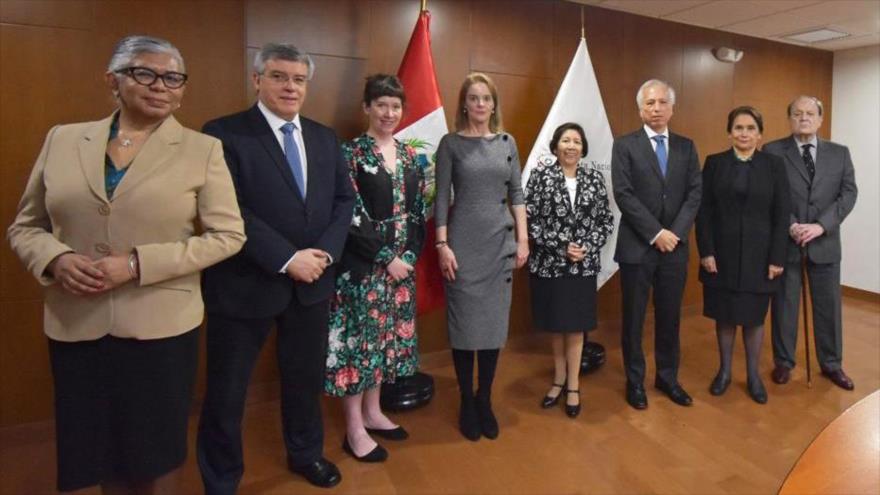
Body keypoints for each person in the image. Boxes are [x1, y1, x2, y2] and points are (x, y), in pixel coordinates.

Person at [6, 35, 245, 494]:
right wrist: (55, 259)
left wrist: (137, 265)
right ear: (112, 80)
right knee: (86, 449)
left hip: (159, 328)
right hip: (76, 322)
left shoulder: (202, 150)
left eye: (173, 77)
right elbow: (25, 226)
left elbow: (228, 236)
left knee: (151, 455)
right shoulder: (63, 138)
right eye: (144, 72)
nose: (160, 85)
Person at [196, 43, 355, 492]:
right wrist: (287, 259)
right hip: (246, 285)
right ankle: (221, 478)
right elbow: (229, 211)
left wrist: (322, 253)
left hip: (313, 285)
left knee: (304, 382)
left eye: (299, 78)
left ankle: (306, 454)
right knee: (227, 393)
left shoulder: (324, 138)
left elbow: (343, 201)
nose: (290, 86)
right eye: (279, 76)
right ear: (257, 80)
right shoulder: (224, 134)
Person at [324, 74, 426, 462]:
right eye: (381, 104)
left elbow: (419, 213)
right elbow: (350, 213)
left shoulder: (410, 155)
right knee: (358, 346)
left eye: (395, 106)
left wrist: (410, 257)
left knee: (385, 343)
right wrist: (386, 258)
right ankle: (353, 428)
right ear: (366, 107)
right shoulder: (349, 154)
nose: (389, 112)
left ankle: (373, 411)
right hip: (363, 269)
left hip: (402, 269)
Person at [434, 72, 529, 440]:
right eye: (473, 98)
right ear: (464, 104)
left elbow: (517, 195)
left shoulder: (507, 142)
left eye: (485, 98)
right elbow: (441, 198)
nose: (479, 104)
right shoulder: (450, 144)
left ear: (493, 104)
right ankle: (465, 400)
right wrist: (442, 246)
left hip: (499, 246)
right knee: (464, 329)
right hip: (461, 248)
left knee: (491, 330)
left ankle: (484, 398)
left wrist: (523, 241)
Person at [611, 79, 702, 410]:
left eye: (663, 102)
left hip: (674, 250)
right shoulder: (624, 146)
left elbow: (695, 193)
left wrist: (674, 233)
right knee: (633, 319)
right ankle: (635, 382)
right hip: (638, 247)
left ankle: (667, 377)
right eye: (650, 103)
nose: (657, 108)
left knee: (670, 317)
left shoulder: (686, 147)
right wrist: (655, 233)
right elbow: (623, 194)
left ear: (672, 107)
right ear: (640, 109)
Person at [696, 106, 790, 404]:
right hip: (721, 256)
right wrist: (706, 251)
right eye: (738, 128)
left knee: (753, 318)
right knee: (724, 316)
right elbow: (704, 212)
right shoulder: (714, 163)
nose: (744, 133)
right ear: (730, 132)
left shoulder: (774, 166)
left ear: (760, 133)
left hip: (760, 258)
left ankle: (753, 375)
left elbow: (781, 214)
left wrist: (777, 257)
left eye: (750, 128)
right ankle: (724, 372)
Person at [764, 96, 858, 390]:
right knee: (785, 306)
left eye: (809, 113)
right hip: (787, 242)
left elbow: (848, 194)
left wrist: (820, 226)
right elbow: (770, 193)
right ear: (789, 118)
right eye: (797, 113)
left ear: (820, 119)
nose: (803, 118)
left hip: (825, 243)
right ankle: (784, 362)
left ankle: (831, 364)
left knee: (828, 307)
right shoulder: (772, 151)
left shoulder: (839, 153)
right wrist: (791, 224)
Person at [525, 122, 613, 418]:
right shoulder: (540, 177)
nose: (571, 146)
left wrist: (585, 246)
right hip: (550, 264)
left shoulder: (594, 178)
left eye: (577, 140)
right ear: (555, 146)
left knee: (576, 325)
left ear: (583, 147)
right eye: (566, 140)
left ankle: (573, 385)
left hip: (583, 266)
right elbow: (530, 221)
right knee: (556, 324)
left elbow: (606, 221)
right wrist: (562, 246)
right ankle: (558, 379)